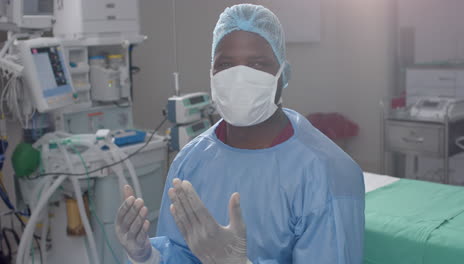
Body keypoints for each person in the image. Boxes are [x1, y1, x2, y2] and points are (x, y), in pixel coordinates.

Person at [115, 3, 365, 264]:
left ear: (283, 74)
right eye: (225, 64)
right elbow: (181, 253)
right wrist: (148, 256)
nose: (239, 77)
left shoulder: (327, 174)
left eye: (257, 63)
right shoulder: (190, 161)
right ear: (211, 74)